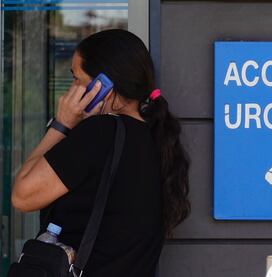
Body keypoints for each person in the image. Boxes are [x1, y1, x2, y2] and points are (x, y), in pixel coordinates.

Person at [11, 29, 191, 276]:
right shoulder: (158, 139)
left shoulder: (100, 133)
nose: (71, 90)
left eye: (77, 79)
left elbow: (23, 195)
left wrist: (61, 124)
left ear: (103, 86)